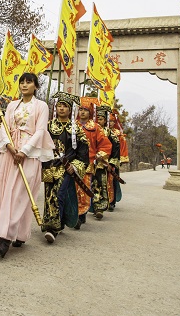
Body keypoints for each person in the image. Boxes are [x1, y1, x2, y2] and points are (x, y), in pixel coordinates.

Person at [0, 73, 54, 258]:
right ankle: (15, 233)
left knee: (20, 194)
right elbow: (5, 127)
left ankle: (5, 238)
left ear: (36, 86)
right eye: (22, 82)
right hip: (10, 153)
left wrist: (24, 151)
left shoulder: (41, 106)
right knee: (5, 193)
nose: (25, 85)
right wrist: (11, 147)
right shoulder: (12, 105)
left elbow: (41, 131)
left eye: (29, 82)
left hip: (29, 153)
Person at [40, 92, 89, 243]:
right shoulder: (48, 126)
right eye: (59, 105)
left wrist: (74, 166)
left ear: (70, 109)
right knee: (49, 195)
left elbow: (83, 151)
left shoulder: (77, 130)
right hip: (49, 165)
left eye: (65, 106)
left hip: (65, 168)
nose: (61, 109)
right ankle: (53, 223)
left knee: (59, 194)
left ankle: (53, 229)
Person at [77, 97, 112, 225]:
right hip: (72, 163)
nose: (82, 112)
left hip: (88, 163)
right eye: (80, 109)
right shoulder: (73, 126)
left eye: (85, 110)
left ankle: (81, 213)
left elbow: (105, 145)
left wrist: (99, 155)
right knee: (72, 189)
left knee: (84, 189)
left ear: (90, 113)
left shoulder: (96, 128)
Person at [96, 106, 121, 212]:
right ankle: (95, 206)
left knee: (106, 183)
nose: (98, 121)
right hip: (93, 162)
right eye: (97, 118)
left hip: (106, 162)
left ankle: (108, 203)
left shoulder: (110, 133)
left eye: (101, 119)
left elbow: (116, 147)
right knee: (94, 184)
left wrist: (112, 163)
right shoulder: (93, 130)